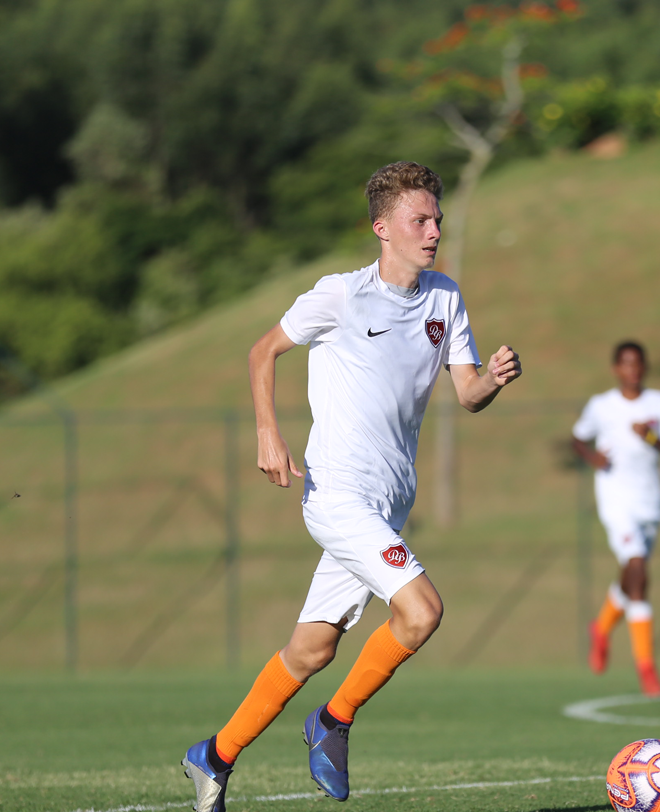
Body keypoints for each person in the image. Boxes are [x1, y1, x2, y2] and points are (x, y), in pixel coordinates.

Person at [181, 161, 521, 811]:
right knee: (421, 612)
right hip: (337, 495)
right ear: (382, 228)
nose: (433, 230)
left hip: (390, 504)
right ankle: (332, 721)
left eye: (437, 219)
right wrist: (268, 432)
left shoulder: (445, 298)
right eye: (419, 220)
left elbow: (467, 392)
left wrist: (495, 379)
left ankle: (214, 757)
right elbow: (262, 351)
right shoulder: (340, 295)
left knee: (312, 648)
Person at [572, 341, 660, 696]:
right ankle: (647, 666)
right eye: (625, 364)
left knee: (632, 576)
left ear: (645, 367)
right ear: (616, 369)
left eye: (638, 363)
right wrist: (593, 459)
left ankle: (602, 626)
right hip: (616, 501)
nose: (632, 370)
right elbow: (578, 439)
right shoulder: (601, 406)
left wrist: (652, 437)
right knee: (638, 571)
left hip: (650, 504)